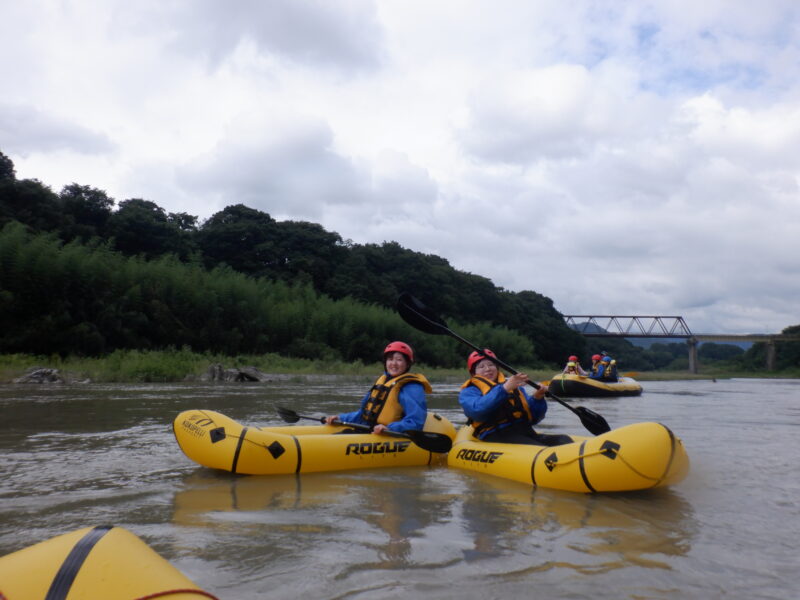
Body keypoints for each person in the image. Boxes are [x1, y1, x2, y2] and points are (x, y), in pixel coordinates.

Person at [458, 349, 573, 446]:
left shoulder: (514, 385)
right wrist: (504, 389)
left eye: (491, 364)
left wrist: (537, 398)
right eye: (481, 366)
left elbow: (533, 418)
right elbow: (477, 412)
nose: (487, 369)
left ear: (497, 368)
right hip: (496, 435)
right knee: (538, 448)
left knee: (564, 440)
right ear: (474, 373)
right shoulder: (469, 391)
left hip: (525, 431)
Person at [324, 341, 430, 434]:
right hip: (370, 430)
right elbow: (363, 415)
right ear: (385, 362)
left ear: (407, 364)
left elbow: (416, 421)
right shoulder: (383, 382)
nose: (393, 363)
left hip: (390, 435)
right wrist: (340, 418)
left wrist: (390, 428)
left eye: (399, 360)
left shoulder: (411, 387)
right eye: (390, 359)